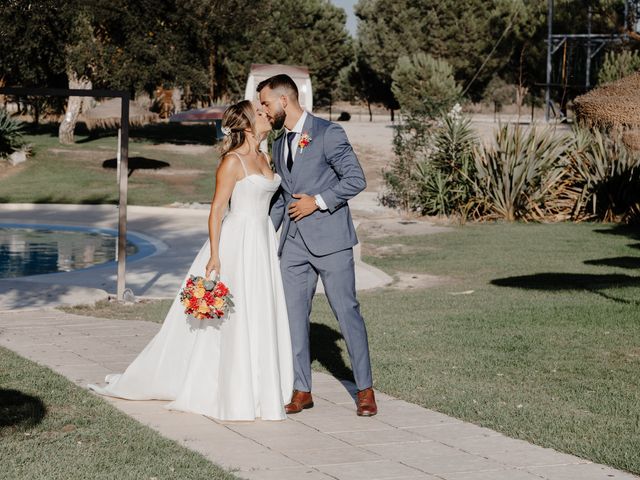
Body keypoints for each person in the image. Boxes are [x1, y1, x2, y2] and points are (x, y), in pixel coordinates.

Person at [89, 100, 293, 421]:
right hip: (236, 241)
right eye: (260, 112)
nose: (267, 114)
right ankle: (230, 388)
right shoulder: (232, 162)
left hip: (262, 240)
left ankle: (259, 385)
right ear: (247, 125)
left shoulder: (265, 157)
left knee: (258, 309)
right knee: (232, 316)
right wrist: (215, 254)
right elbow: (216, 210)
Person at [258, 74, 378, 416]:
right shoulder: (279, 143)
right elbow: (283, 198)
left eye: (266, 103)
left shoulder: (329, 133)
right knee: (294, 318)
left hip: (332, 242)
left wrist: (319, 201)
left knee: (346, 312)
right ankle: (301, 389)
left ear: (284, 100)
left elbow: (356, 179)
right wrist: (262, 233)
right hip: (293, 246)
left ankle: (365, 389)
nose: (264, 111)